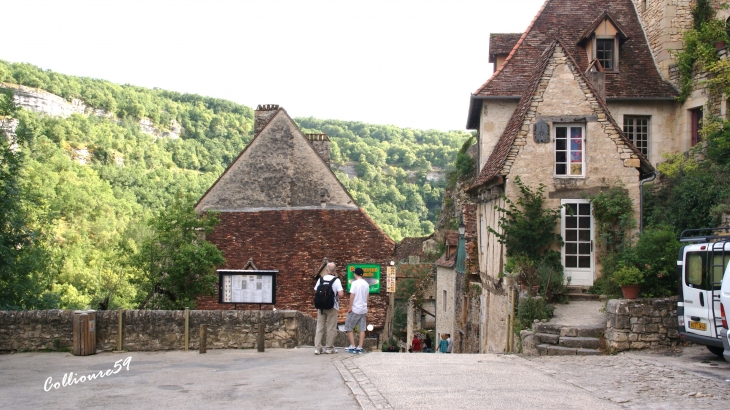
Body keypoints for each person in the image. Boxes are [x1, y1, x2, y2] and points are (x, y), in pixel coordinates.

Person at [313, 262, 344, 355]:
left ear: (327, 270)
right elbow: (341, 294)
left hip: (321, 307)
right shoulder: (336, 280)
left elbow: (315, 291)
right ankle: (329, 348)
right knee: (331, 328)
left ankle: (318, 348)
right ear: (334, 271)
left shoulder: (321, 279)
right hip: (332, 306)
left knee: (319, 327)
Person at [345, 267, 369, 353]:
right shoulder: (366, 284)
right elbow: (367, 296)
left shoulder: (354, 283)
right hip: (363, 308)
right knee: (362, 328)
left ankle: (352, 345)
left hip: (355, 308)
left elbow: (352, 296)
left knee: (348, 327)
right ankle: (360, 346)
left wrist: (350, 307)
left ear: (356, 274)